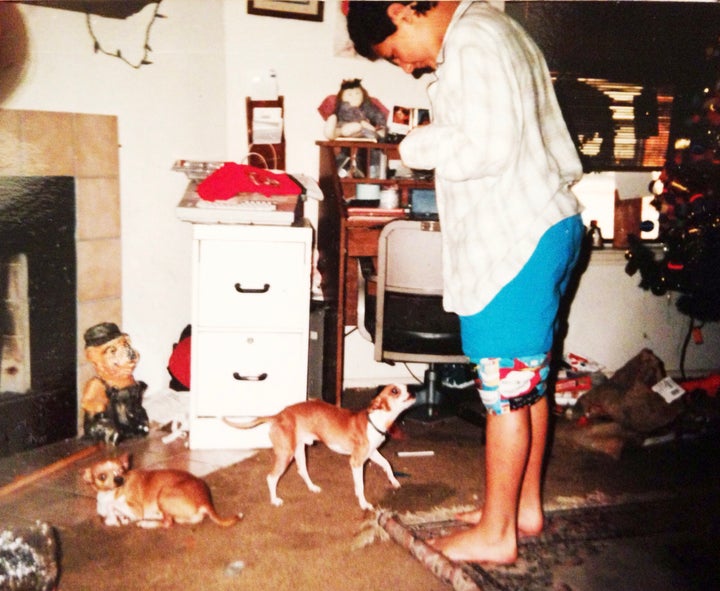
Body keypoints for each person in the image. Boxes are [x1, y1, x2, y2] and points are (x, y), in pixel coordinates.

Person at [346, 1, 584, 564]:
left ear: (401, 13)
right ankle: (521, 509)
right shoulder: (500, 29)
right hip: (545, 221)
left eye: (393, 55)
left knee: (504, 389)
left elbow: (484, 146)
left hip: (515, 235)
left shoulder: (472, 41)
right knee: (528, 382)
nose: (405, 68)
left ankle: (496, 533)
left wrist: (415, 144)